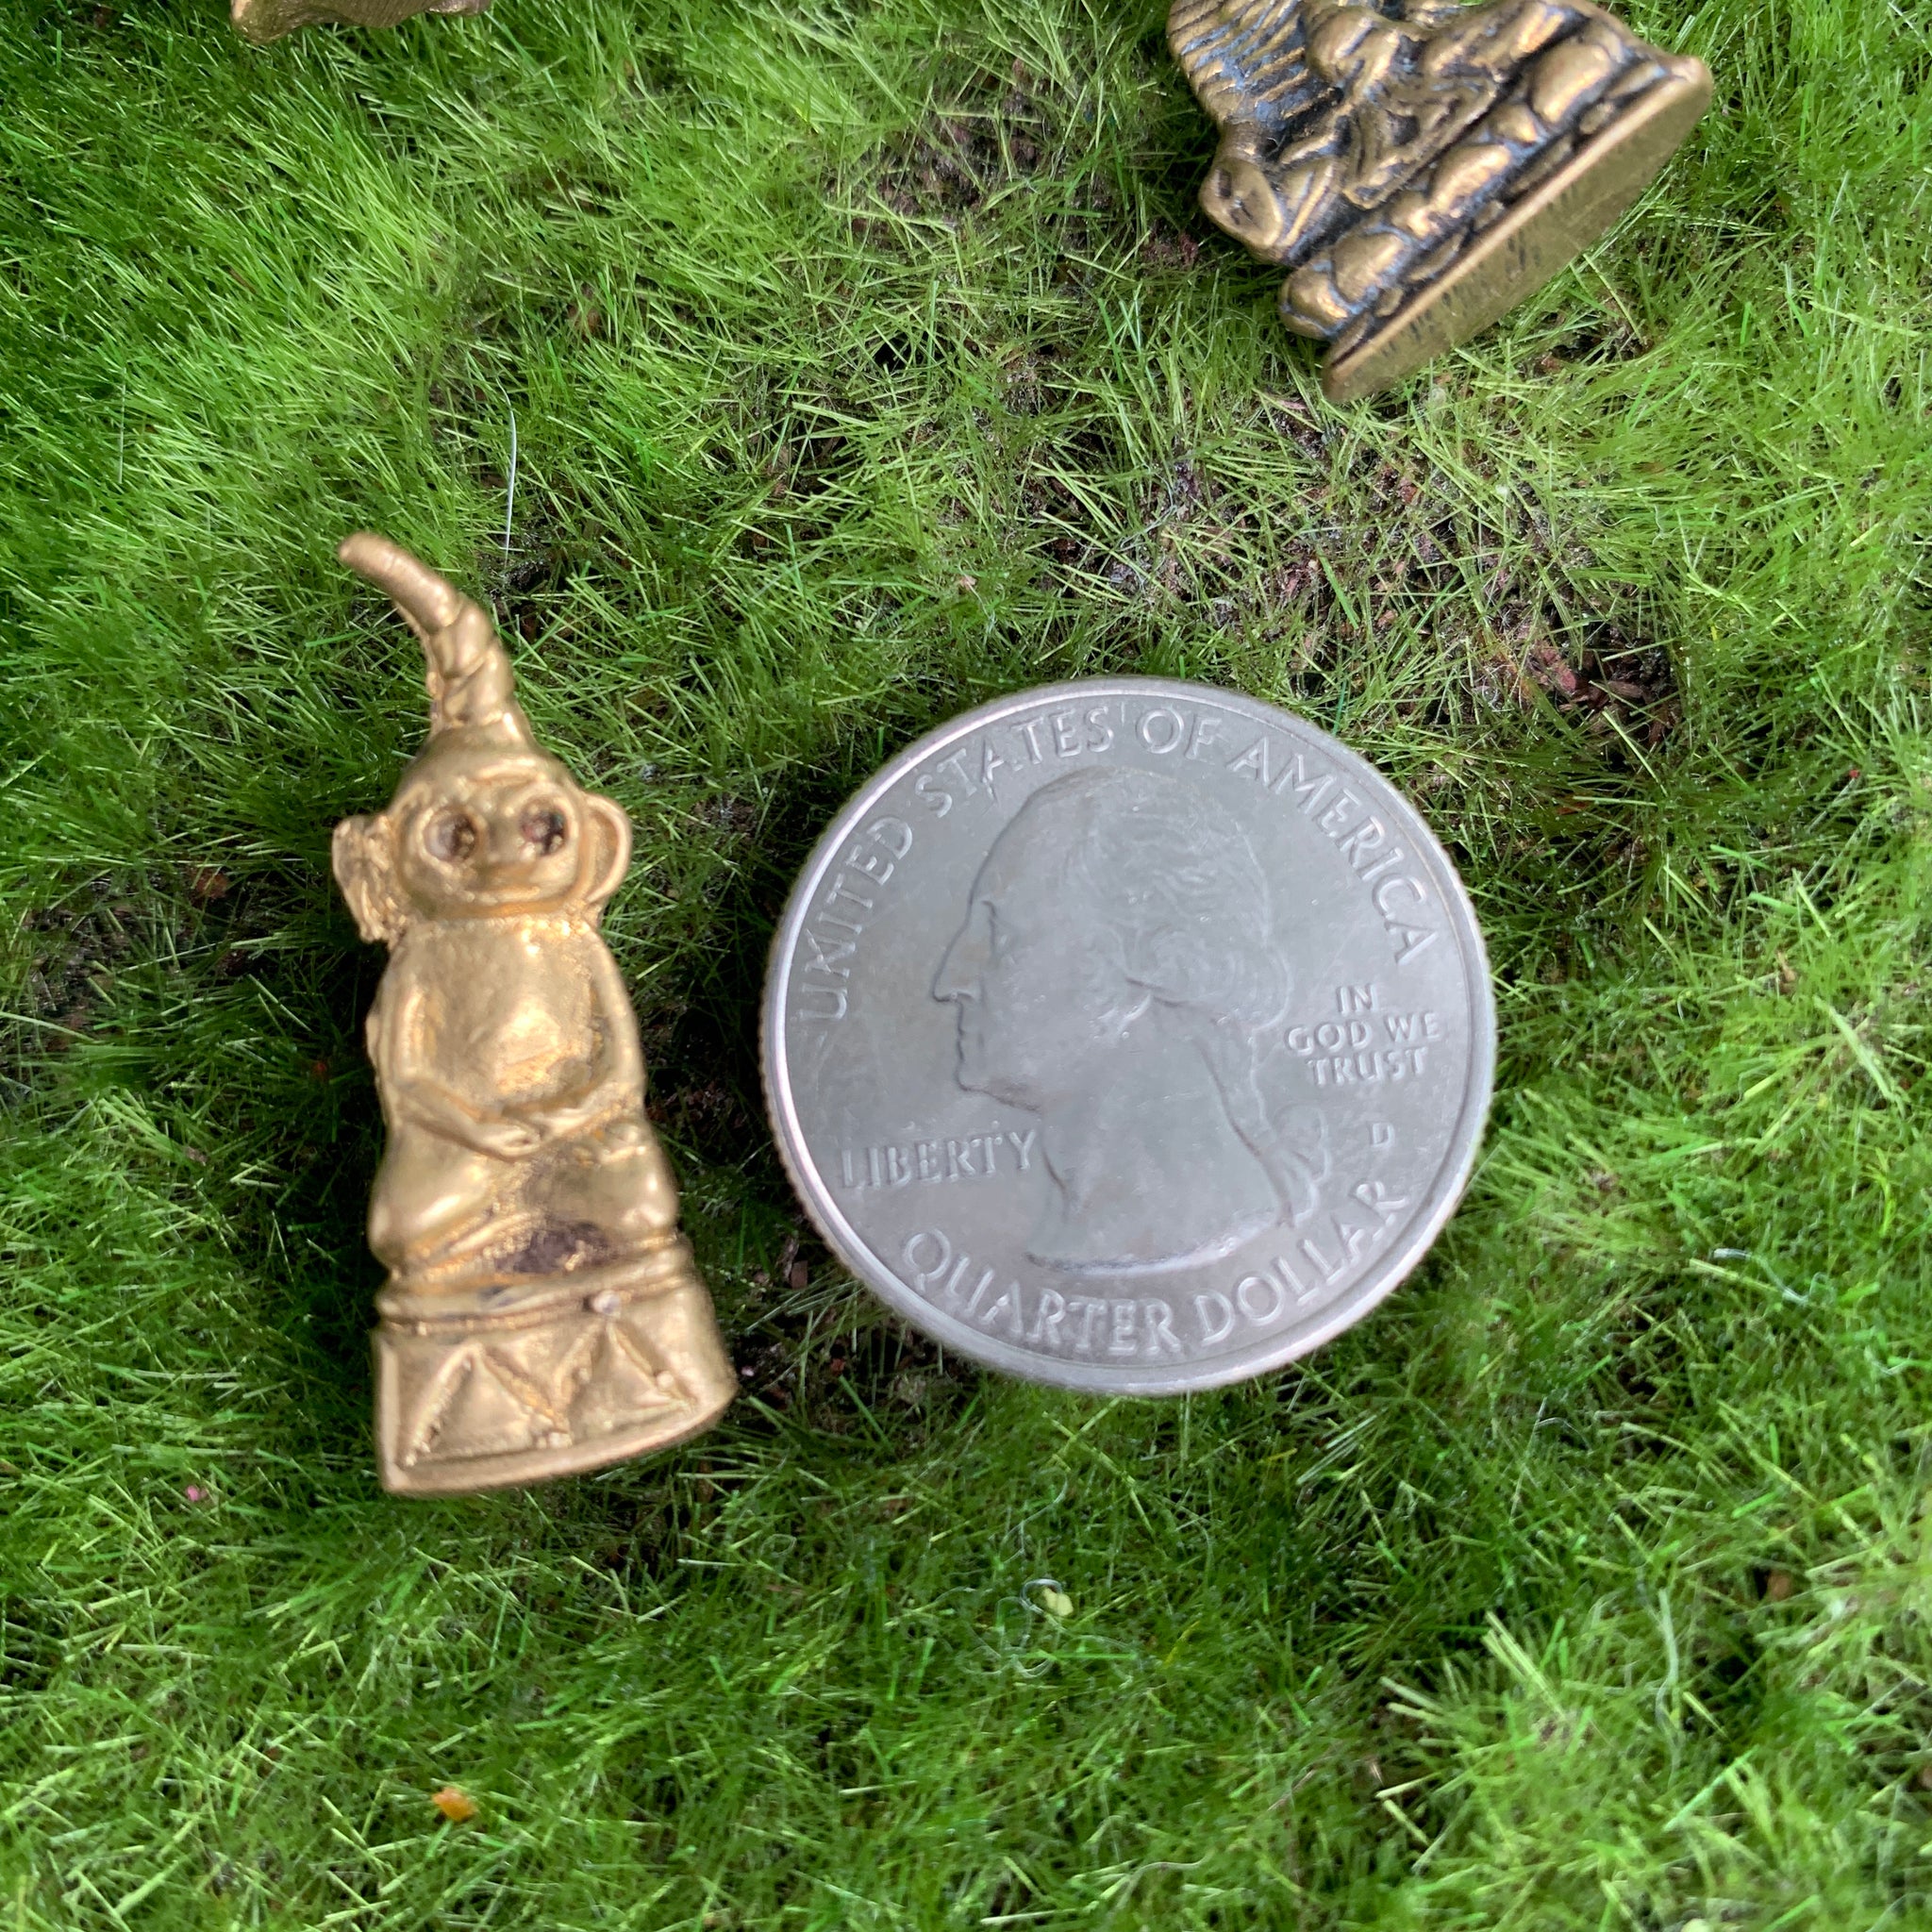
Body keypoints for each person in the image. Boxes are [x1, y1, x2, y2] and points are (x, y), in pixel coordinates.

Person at [932, 765, 1326, 1276]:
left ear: (1152, 958)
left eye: (999, 932)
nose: (951, 981)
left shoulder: (1197, 1219)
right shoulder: (1076, 1225)